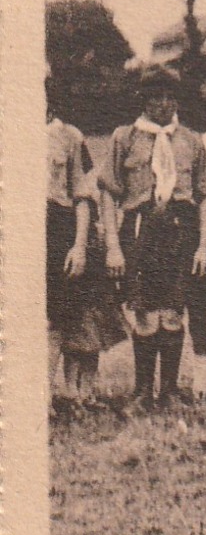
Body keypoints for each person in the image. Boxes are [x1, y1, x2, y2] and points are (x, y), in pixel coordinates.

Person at [104, 66, 206, 406]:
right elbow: (108, 193)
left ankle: (167, 390)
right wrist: (113, 247)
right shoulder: (125, 138)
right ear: (144, 100)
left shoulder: (192, 141)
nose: (162, 105)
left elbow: (205, 195)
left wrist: (202, 245)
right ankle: (142, 391)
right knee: (144, 312)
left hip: (180, 230)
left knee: (173, 311)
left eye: (169, 97)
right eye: (155, 98)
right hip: (139, 230)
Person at [46, 105, 109, 406]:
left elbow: (82, 197)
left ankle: (42, 396)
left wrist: (79, 245)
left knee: (55, 317)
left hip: (56, 226)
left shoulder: (68, 135)